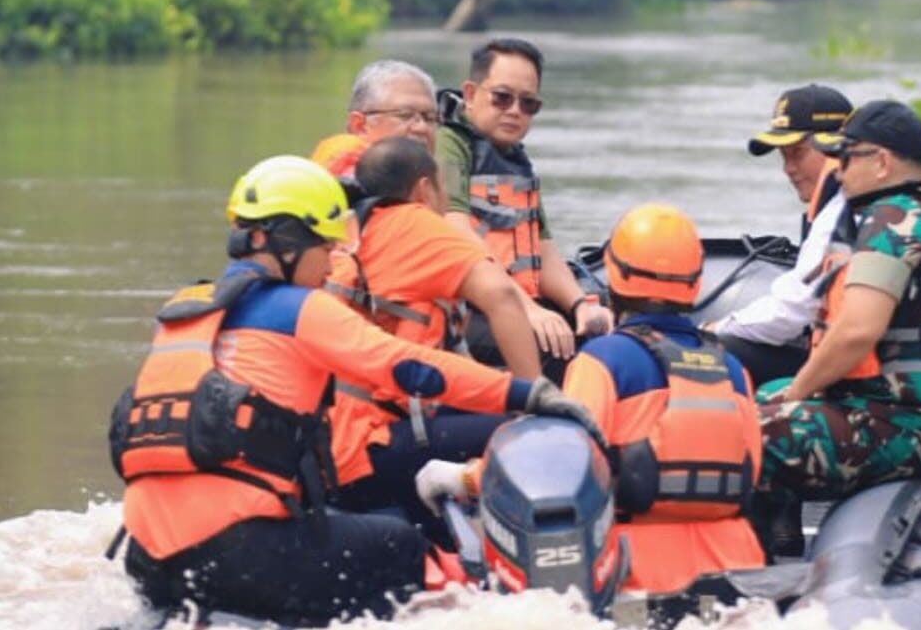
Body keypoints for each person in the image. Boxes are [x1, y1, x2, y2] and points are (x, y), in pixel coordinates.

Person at [109, 155, 601, 627]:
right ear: (286, 242)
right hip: (238, 550)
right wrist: (524, 394)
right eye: (325, 248)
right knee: (401, 546)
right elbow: (407, 368)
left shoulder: (185, 312)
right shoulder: (299, 309)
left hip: (149, 560)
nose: (330, 265)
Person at [418, 204, 766, 596]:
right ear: (695, 282)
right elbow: (750, 473)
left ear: (613, 273)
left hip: (634, 569)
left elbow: (556, 467)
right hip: (737, 565)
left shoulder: (602, 361)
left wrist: (462, 477)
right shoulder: (734, 369)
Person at [753, 101, 921, 545]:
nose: (836, 170)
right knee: (763, 397)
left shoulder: (894, 220)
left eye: (845, 157)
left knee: (744, 432)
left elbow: (858, 331)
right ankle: (780, 538)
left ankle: (745, 572)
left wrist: (798, 393)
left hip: (916, 425)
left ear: (881, 162)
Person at [324, 136, 542, 542]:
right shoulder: (416, 224)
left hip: (332, 447)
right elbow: (503, 298)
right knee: (533, 432)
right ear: (425, 188)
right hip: (372, 445)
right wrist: (535, 401)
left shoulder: (351, 230)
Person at [435, 38, 613, 378]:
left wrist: (580, 304)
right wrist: (525, 310)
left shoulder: (516, 158)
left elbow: (542, 247)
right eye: (502, 98)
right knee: (559, 352)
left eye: (528, 103)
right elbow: (455, 232)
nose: (515, 111)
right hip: (466, 309)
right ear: (471, 94)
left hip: (513, 302)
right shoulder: (448, 145)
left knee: (608, 332)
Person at [705, 84, 853, 385]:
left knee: (713, 350)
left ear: (835, 148)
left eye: (798, 153)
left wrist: (715, 329)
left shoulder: (843, 210)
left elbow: (791, 311)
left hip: (856, 377)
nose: (788, 168)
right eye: (783, 156)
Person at [312, 59, 440, 177]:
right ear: (360, 126)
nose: (422, 127)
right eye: (405, 115)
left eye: (430, 118)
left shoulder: (421, 184)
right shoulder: (348, 185)